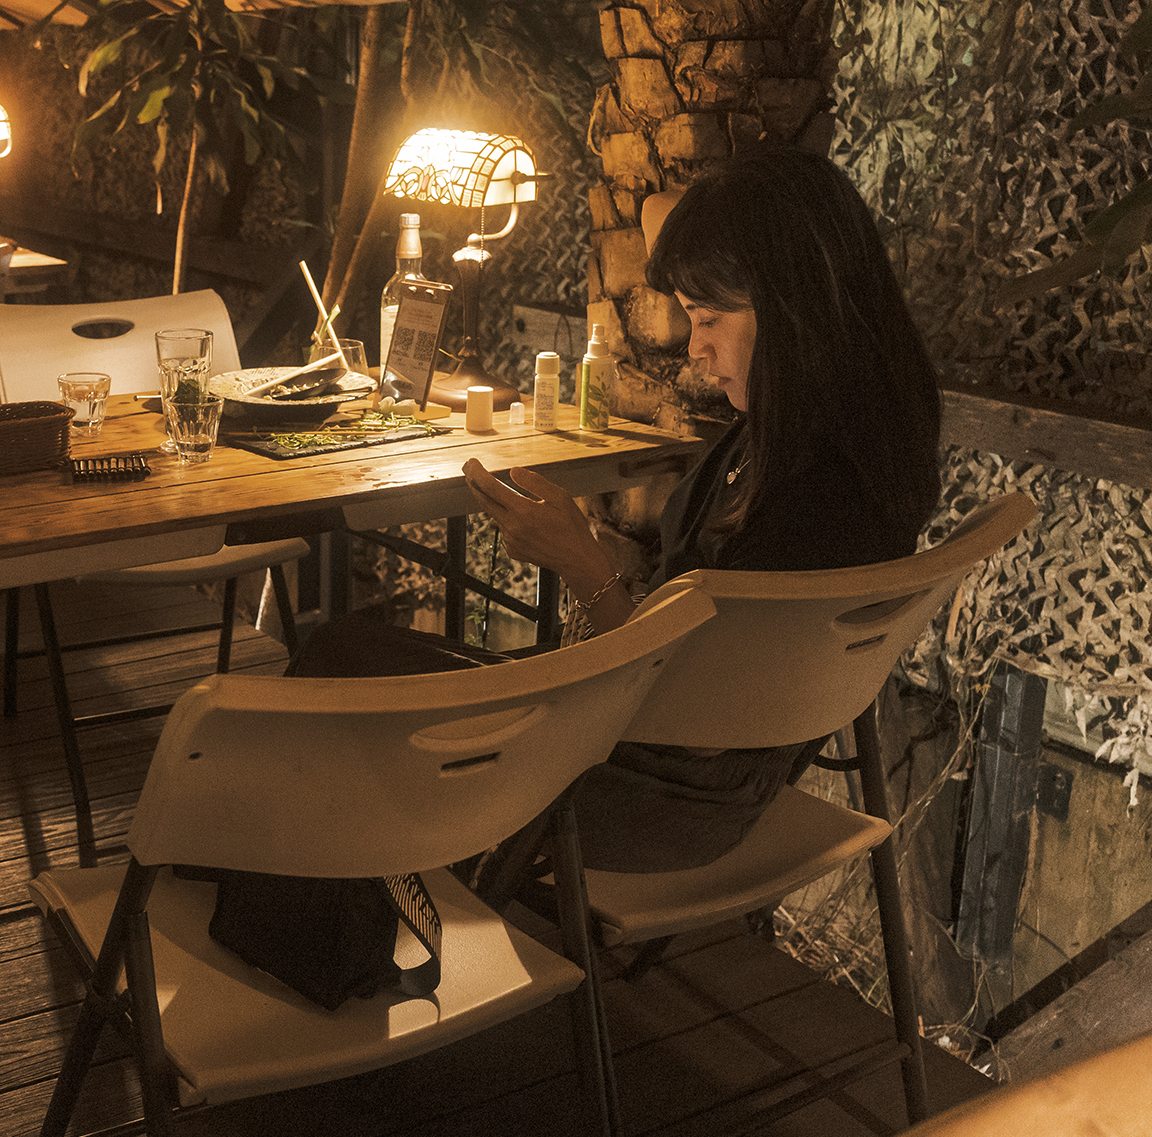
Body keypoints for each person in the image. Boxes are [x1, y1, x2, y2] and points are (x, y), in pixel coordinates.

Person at [291, 144, 943, 874]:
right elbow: (665, 215)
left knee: (337, 671)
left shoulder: (815, 499)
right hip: (681, 778)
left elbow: (688, 714)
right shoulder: (850, 440)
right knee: (353, 666)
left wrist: (583, 563)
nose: (696, 350)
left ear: (793, 310)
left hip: (638, 795)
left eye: (707, 319)